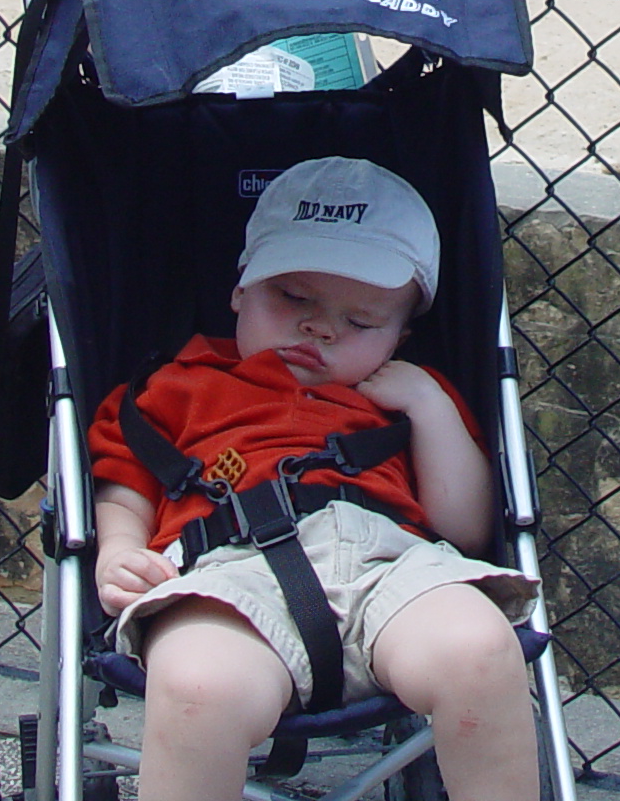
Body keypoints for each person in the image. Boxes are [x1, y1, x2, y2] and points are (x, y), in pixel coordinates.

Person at [88, 155, 539, 801]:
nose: (320, 328)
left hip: (391, 566)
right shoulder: (180, 384)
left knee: (482, 650)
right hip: (225, 574)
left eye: (360, 323)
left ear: (399, 336)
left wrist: (430, 407)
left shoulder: (405, 396)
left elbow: (464, 526)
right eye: (293, 297)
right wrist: (122, 548)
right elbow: (125, 473)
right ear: (240, 289)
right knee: (196, 688)